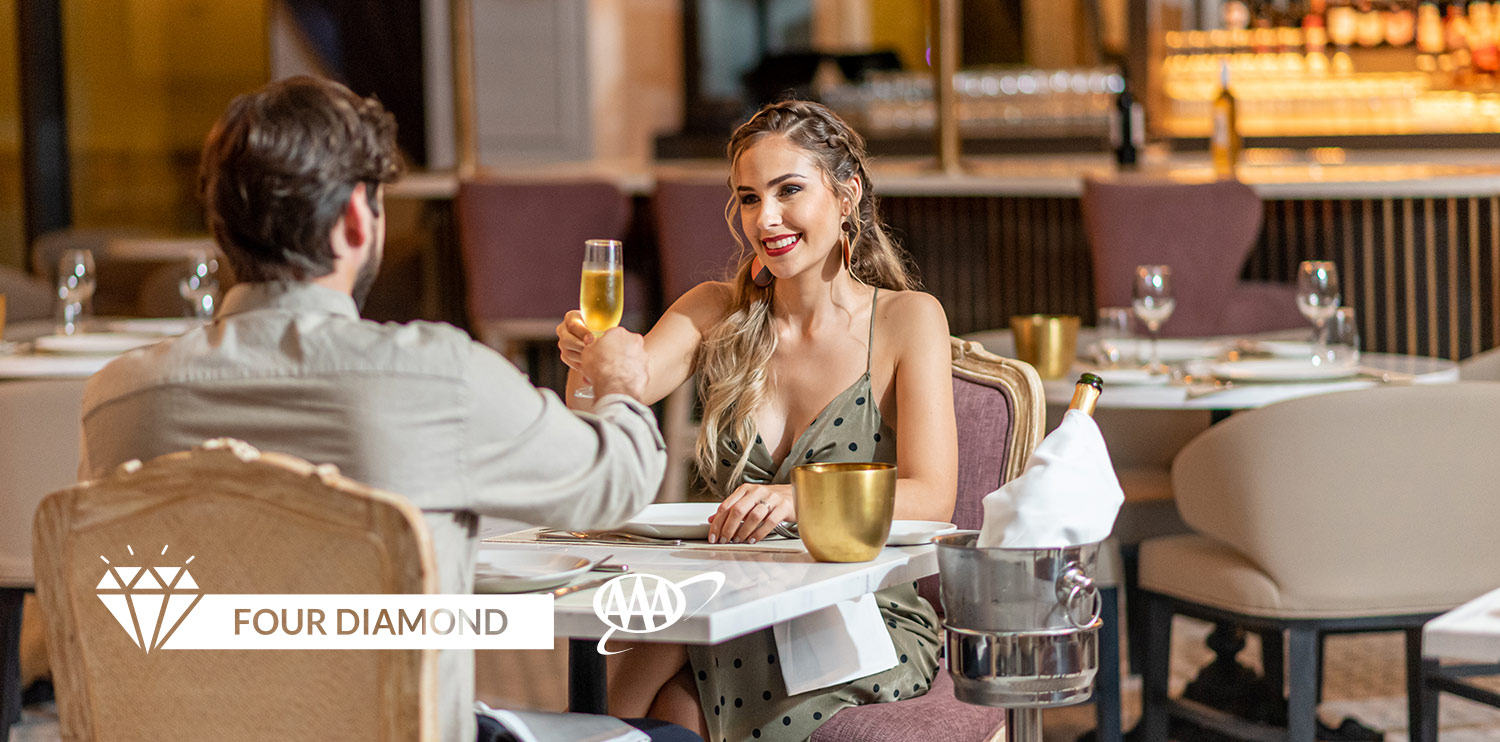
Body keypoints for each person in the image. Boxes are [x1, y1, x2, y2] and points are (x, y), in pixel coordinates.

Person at [78, 76, 697, 742]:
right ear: (353, 218)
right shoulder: (436, 374)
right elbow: (617, 483)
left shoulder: (119, 399)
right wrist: (619, 382)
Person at [556, 99, 958, 741]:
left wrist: (793, 499)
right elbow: (616, 393)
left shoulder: (908, 319)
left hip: (849, 610)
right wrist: (591, 358)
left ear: (846, 194)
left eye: (788, 190)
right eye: (748, 198)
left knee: (658, 682)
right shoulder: (715, 311)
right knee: (668, 691)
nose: (764, 219)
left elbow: (933, 497)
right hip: (728, 598)